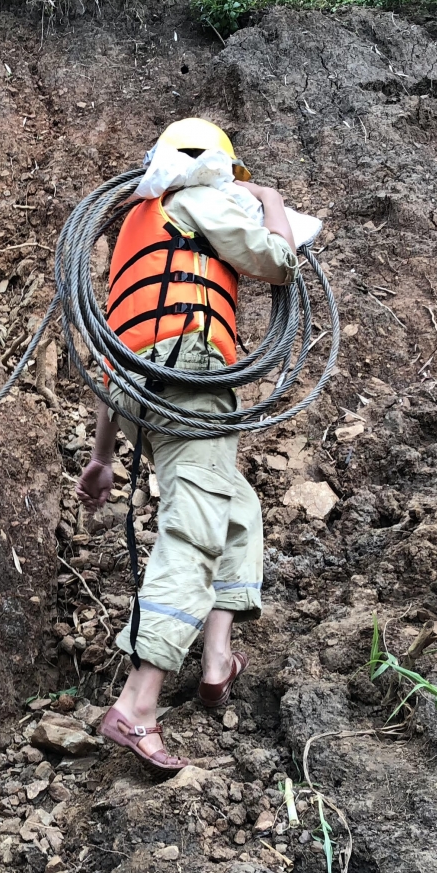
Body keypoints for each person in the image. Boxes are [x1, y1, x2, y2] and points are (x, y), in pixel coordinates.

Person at [76, 119, 297, 774]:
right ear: (212, 165)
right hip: (191, 376)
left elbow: (118, 354)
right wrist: (272, 203)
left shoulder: (135, 235)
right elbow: (278, 262)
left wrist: (103, 455)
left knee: (237, 510)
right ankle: (138, 702)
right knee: (194, 527)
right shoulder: (195, 198)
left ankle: (215, 660)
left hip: (143, 395)